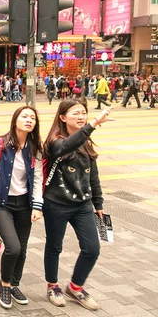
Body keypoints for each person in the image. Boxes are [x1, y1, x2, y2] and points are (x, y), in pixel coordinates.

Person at [43, 100, 112, 311]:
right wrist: (91, 124)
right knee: (55, 246)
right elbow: (66, 146)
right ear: (63, 117)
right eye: (76, 113)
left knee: (92, 248)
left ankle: (75, 286)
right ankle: (52, 286)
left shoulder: (86, 141)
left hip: (83, 205)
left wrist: (98, 203)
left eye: (84, 113)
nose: (81, 117)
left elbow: (93, 176)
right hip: (56, 203)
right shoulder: (55, 141)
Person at [0, 106, 44, 309]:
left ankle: (15, 284)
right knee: (13, 247)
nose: (29, 120)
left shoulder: (36, 148)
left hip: (24, 204)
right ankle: (5, 284)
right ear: (15, 120)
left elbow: (38, 179)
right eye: (24, 116)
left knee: (22, 249)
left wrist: (37, 205)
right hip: (2, 204)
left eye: (32, 118)